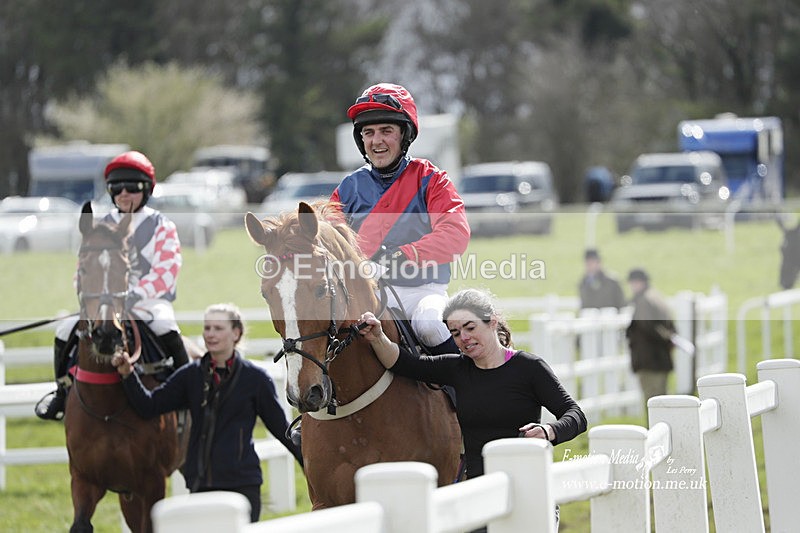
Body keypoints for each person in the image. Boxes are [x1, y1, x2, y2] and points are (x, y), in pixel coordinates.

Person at [359, 288, 586, 477]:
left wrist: (549, 431)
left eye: (470, 327)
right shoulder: (457, 368)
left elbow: (575, 415)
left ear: (492, 322)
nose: (464, 338)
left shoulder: (529, 367)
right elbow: (404, 363)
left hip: (527, 481)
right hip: (479, 490)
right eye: (455, 333)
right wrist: (378, 337)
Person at [111, 303, 304, 522]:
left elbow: (281, 429)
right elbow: (149, 406)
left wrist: (309, 466)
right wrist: (128, 375)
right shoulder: (190, 376)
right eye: (207, 328)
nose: (210, 334)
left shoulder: (255, 380)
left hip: (243, 486)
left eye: (218, 328)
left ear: (236, 333)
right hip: (200, 486)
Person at [36, 150, 190, 420]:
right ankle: (61, 392)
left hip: (147, 302)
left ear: (146, 190)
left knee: (166, 325)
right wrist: (92, 299)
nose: (123, 193)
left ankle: (187, 395)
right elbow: (82, 271)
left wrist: (134, 294)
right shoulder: (100, 224)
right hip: (103, 303)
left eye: (132, 187)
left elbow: (167, 271)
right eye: (116, 187)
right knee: (63, 330)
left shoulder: (162, 226)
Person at [330, 82, 470, 356]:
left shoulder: (432, 179)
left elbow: (455, 234)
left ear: (404, 135)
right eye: (368, 133)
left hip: (422, 292)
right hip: (367, 294)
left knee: (430, 325)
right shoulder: (348, 188)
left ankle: (466, 392)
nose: (376, 140)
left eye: (386, 131)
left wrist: (403, 255)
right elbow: (329, 235)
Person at [625, 268, 675, 409]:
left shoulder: (644, 301)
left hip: (650, 360)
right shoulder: (657, 297)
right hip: (660, 358)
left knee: (653, 403)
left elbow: (648, 328)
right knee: (662, 399)